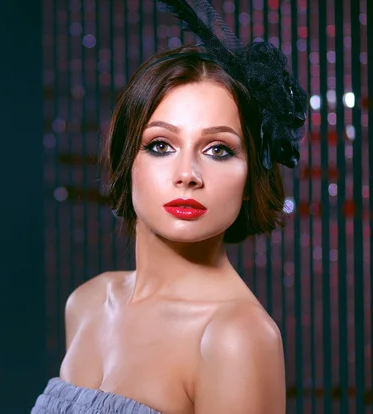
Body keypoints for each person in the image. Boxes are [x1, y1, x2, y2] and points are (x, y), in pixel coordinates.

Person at [31, 1, 306, 413]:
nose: (188, 174)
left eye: (218, 149)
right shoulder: (88, 303)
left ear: (251, 177)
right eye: (161, 145)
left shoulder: (236, 337)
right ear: (128, 160)